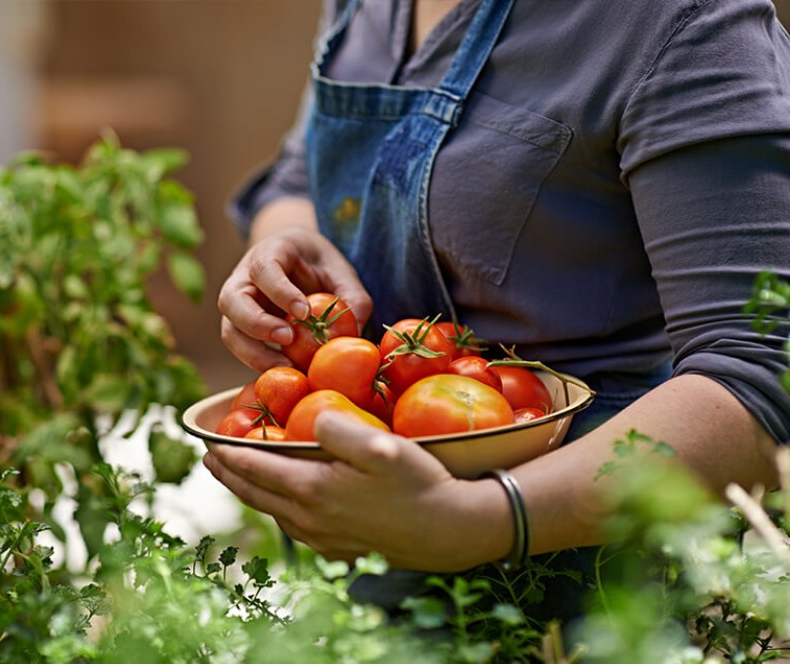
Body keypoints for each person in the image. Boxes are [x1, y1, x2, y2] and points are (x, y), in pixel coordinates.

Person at [202, 0, 790, 610]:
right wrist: (288, 249)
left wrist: (484, 519)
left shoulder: (677, 21)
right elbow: (298, 178)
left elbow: (761, 373)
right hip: (350, 569)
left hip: (590, 588)